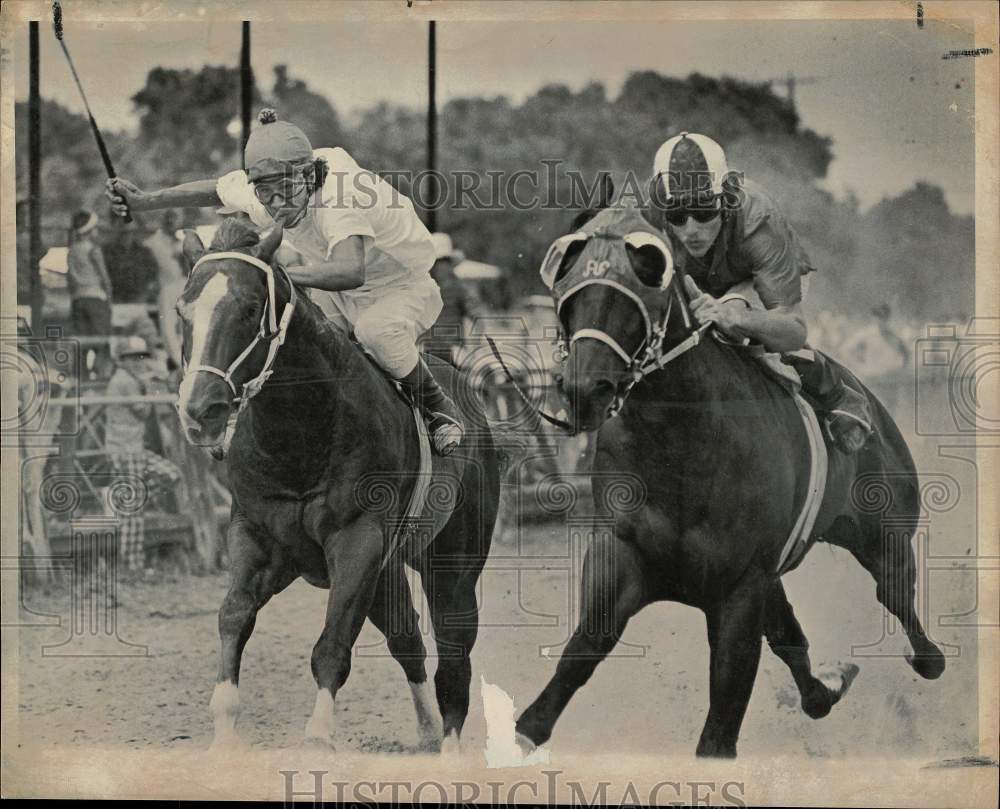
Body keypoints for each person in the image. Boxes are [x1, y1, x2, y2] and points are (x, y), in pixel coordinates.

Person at [105, 108, 464, 455]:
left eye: (286, 189)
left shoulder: (339, 197)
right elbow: (214, 189)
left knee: (375, 331)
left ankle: (437, 404)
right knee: (294, 337)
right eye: (265, 192)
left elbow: (350, 271)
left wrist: (273, 276)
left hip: (400, 285)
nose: (277, 204)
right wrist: (145, 201)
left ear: (309, 176)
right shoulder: (269, 189)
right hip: (336, 284)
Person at [648, 132, 871, 453]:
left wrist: (740, 317)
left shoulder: (757, 216)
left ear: (725, 199)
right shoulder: (651, 212)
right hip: (703, 279)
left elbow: (792, 329)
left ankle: (837, 392)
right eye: (677, 216)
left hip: (759, 277)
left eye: (704, 211)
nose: (691, 229)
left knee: (737, 326)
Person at [103, 335, 182, 569]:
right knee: (134, 513)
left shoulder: (127, 379)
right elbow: (144, 412)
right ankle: (133, 565)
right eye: (131, 358)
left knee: (171, 474)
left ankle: (127, 498)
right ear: (121, 360)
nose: (138, 362)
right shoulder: (125, 381)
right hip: (126, 448)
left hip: (130, 447)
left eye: (140, 357)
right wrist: (150, 387)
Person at [66, 209, 113, 377]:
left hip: (78, 299)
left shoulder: (72, 250)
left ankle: (82, 377)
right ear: (89, 230)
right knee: (101, 340)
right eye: (95, 228)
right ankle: (102, 375)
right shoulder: (93, 250)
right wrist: (109, 299)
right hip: (96, 298)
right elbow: (104, 277)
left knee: (82, 341)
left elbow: (70, 278)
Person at [141, 210, 187, 372]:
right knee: (168, 329)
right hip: (166, 287)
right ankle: (178, 363)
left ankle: (186, 362)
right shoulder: (152, 243)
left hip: (185, 286)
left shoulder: (183, 242)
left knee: (187, 327)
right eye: (168, 218)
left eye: (175, 218)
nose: (171, 222)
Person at [422, 232, 476, 364]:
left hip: (453, 352)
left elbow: (476, 317)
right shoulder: (424, 289)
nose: (440, 267)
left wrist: (472, 349)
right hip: (429, 351)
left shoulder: (459, 289)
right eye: (437, 263)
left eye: (444, 262)